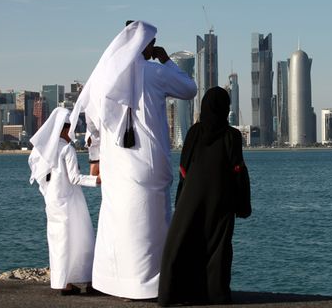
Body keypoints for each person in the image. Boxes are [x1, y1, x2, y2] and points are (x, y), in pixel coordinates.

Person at [69, 20, 197, 299]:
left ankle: (116, 283)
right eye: (152, 43)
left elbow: (91, 119)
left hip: (117, 163)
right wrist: (167, 61)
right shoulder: (155, 72)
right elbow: (190, 89)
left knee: (119, 223)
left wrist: (96, 157)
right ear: (146, 45)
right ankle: (152, 285)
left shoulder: (105, 75)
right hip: (148, 160)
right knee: (152, 225)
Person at [158, 87, 251, 306]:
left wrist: (182, 199)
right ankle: (216, 295)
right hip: (221, 199)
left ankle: (177, 294)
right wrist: (242, 204)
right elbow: (237, 169)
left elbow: (183, 167)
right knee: (218, 247)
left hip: (192, 197)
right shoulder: (232, 135)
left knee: (186, 243)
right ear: (226, 109)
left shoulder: (194, 132)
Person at [28, 107, 100, 295]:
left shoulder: (42, 151)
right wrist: (97, 180)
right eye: (72, 128)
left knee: (59, 241)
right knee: (81, 238)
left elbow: (39, 176)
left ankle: (64, 283)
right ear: (63, 128)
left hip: (52, 201)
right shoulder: (67, 149)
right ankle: (88, 279)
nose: (73, 133)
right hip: (70, 200)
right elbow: (75, 178)